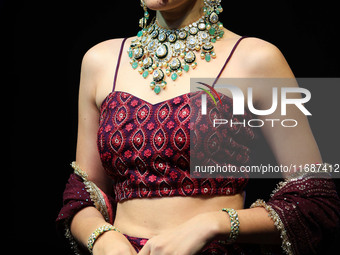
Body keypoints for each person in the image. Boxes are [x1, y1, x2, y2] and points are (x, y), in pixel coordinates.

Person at [57, 0, 340, 254]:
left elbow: (314, 200)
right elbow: (83, 194)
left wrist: (210, 226)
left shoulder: (254, 59)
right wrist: (104, 238)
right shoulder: (101, 61)